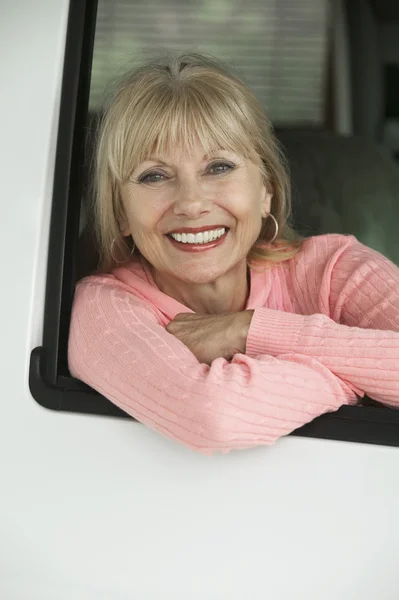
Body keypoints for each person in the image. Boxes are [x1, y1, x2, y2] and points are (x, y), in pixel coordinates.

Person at [68, 53, 399, 455]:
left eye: (219, 167)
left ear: (266, 191)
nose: (191, 203)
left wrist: (250, 331)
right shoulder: (102, 309)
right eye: (154, 175)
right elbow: (213, 415)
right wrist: (357, 379)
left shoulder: (335, 269)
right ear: (121, 212)